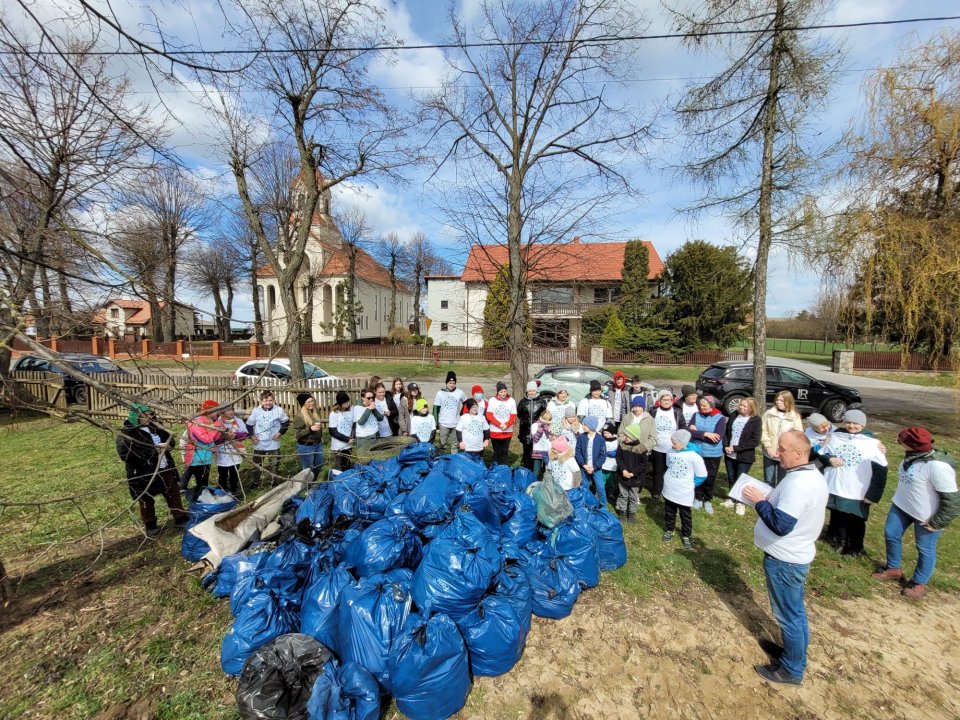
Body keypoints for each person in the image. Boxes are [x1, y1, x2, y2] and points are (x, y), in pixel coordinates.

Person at [743, 430, 829, 686]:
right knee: (795, 613)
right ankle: (793, 655)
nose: (776, 453)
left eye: (782, 449)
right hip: (792, 557)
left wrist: (760, 502)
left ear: (800, 453)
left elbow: (781, 524)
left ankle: (791, 669)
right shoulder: (806, 474)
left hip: (785, 561)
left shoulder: (800, 484)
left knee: (789, 616)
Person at [872, 427, 960, 599]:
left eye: (901, 441)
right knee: (891, 533)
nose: (898, 443)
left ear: (912, 445)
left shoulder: (937, 467)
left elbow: (953, 501)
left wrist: (937, 522)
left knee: (925, 549)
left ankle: (918, 583)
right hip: (902, 506)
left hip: (926, 516)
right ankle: (893, 568)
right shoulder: (912, 457)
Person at [820, 410, 888, 557]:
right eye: (849, 422)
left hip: (858, 489)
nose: (852, 426)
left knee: (856, 519)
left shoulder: (872, 444)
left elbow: (881, 471)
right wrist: (829, 459)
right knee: (838, 514)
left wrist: (873, 495)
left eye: (856, 423)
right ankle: (840, 541)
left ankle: (856, 547)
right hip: (837, 486)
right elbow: (823, 453)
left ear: (863, 425)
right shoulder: (836, 436)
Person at [116, 404, 187, 537]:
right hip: (143, 472)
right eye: (144, 415)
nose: (149, 418)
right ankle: (150, 524)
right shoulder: (127, 433)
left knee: (173, 492)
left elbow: (170, 440)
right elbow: (126, 454)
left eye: (151, 414)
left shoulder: (156, 427)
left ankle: (180, 517)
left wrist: (167, 445)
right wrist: (153, 452)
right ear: (135, 417)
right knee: (145, 498)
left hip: (164, 467)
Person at [662, 429, 707, 551]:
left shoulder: (693, 456)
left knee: (685, 514)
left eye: (675, 443)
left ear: (684, 443)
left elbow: (702, 475)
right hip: (670, 488)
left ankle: (686, 535)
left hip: (684, 491)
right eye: (672, 442)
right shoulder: (670, 451)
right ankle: (669, 529)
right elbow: (668, 465)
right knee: (669, 511)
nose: (672, 445)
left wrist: (691, 485)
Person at [722, 397, 762, 515]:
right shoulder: (734, 415)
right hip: (729, 453)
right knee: (731, 476)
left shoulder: (755, 420)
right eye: (741, 405)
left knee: (741, 479)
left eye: (745, 406)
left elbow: (754, 441)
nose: (741, 408)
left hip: (744, 455)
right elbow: (727, 432)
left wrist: (735, 448)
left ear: (751, 408)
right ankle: (732, 498)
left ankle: (740, 502)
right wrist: (726, 445)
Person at [689, 395, 728, 514]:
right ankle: (698, 497)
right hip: (697, 451)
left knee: (710, 477)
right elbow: (689, 432)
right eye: (700, 405)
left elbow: (716, 438)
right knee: (697, 476)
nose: (702, 407)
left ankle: (708, 499)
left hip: (712, 454)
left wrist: (697, 433)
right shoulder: (696, 415)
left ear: (711, 405)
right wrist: (706, 434)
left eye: (704, 405)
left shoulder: (720, 418)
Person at [246, 390, 289, 488]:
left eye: (270, 400)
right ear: (261, 401)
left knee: (274, 464)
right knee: (257, 464)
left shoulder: (279, 410)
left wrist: (280, 433)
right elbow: (249, 425)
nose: (268, 403)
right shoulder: (256, 411)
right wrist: (252, 436)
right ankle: (255, 483)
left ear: (273, 400)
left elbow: (285, 423)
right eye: (266, 401)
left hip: (273, 442)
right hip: (259, 442)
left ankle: (274, 482)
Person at [181, 399, 224, 498]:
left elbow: (215, 438)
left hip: (206, 455)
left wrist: (220, 430)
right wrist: (216, 427)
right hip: (197, 455)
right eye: (216, 410)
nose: (218, 413)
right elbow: (206, 439)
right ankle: (194, 496)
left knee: (204, 480)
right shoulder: (197, 422)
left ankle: (201, 497)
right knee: (199, 478)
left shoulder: (212, 421)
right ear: (208, 411)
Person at [618, 396, 655, 508]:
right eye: (635, 406)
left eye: (640, 406)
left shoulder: (649, 419)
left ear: (643, 407)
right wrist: (625, 440)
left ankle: (635, 495)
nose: (637, 408)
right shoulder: (627, 417)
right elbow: (620, 434)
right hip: (627, 451)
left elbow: (653, 438)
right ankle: (623, 496)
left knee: (637, 473)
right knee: (626, 472)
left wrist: (643, 447)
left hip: (640, 452)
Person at [761, 391, 803, 485]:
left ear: (788, 402)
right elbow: (763, 431)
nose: (778, 402)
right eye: (777, 399)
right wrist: (768, 447)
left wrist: (783, 449)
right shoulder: (768, 414)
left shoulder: (794, 417)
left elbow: (797, 435)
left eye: (781, 400)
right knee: (768, 480)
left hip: (785, 454)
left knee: (782, 481)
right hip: (769, 453)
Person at [650, 390, 683, 500]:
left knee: (671, 471)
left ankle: (669, 491)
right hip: (657, 447)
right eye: (664, 399)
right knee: (658, 470)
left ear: (672, 401)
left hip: (672, 448)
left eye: (668, 399)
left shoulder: (677, 412)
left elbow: (683, 427)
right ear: (659, 401)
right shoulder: (654, 411)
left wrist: (681, 443)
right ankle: (656, 491)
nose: (666, 402)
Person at [575, 416, 607, 507]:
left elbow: (603, 455)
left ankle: (603, 506)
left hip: (596, 469)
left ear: (590, 426)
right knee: (585, 486)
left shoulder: (600, 439)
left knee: (600, 487)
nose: (583, 426)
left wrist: (595, 467)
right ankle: (586, 504)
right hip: (584, 468)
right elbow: (578, 452)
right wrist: (583, 465)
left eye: (585, 425)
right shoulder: (581, 437)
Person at [215, 406, 247, 494]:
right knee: (223, 473)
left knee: (234, 472)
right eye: (228, 410)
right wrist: (225, 437)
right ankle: (222, 491)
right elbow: (214, 437)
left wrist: (235, 435)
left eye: (232, 409)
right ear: (223, 411)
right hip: (222, 450)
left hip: (236, 450)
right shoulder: (217, 422)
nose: (231, 412)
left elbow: (245, 434)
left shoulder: (238, 421)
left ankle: (234, 491)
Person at [292, 392, 325, 479]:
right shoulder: (299, 416)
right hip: (306, 446)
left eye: (312, 401)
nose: (311, 403)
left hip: (318, 445)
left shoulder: (315, 412)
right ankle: (306, 487)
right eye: (309, 402)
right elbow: (297, 434)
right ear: (303, 404)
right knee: (307, 469)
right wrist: (310, 429)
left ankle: (313, 482)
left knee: (319, 465)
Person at [517, 380, 548, 470]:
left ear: (536, 391)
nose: (532, 392)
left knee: (537, 453)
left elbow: (544, 415)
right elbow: (519, 414)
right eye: (530, 391)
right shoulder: (523, 402)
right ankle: (527, 470)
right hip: (525, 432)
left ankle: (537, 471)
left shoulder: (541, 402)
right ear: (527, 391)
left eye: (533, 390)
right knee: (527, 453)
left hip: (538, 433)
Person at [486, 381, 517, 465]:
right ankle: (495, 469)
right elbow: (489, 415)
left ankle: (504, 469)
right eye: (501, 392)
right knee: (496, 452)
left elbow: (513, 415)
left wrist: (507, 424)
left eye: (504, 391)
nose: (503, 393)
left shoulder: (511, 401)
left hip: (507, 431)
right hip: (495, 431)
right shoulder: (492, 400)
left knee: (504, 451)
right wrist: (499, 424)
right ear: (498, 392)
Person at [434, 371, 466, 454]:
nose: (451, 385)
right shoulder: (440, 393)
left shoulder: (459, 392)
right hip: (443, 423)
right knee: (442, 444)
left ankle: (453, 461)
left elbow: (466, 402)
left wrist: (462, 413)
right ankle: (442, 460)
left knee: (455, 444)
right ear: (446, 382)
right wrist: (436, 423)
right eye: (450, 383)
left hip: (456, 424)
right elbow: (436, 409)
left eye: (453, 383)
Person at [353, 388, 384, 458]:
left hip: (375, 436)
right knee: (365, 459)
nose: (371, 399)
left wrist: (373, 409)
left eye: (372, 397)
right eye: (369, 398)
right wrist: (369, 409)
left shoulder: (373, 406)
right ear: (363, 398)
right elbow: (361, 422)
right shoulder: (357, 408)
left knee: (375, 459)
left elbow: (380, 418)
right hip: (365, 439)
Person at [328, 391, 355, 471]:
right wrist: (346, 439)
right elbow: (332, 431)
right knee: (338, 467)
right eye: (345, 402)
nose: (348, 404)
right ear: (340, 403)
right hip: (338, 446)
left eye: (348, 401)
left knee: (347, 466)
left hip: (349, 445)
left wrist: (353, 437)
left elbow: (353, 426)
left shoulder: (350, 411)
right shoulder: (334, 414)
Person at [600, 421, 620, 508]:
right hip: (603, 464)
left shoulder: (616, 441)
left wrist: (615, 453)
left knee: (610, 479)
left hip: (612, 464)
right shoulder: (602, 440)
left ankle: (610, 491)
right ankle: (601, 492)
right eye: (604, 433)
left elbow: (619, 451)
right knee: (602, 478)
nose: (606, 434)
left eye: (608, 433)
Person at [530, 408, 553, 479]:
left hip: (548, 451)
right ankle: (533, 486)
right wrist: (541, 428)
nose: (547, 421)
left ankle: (546, 486)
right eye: (545, 419)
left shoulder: (551, 426)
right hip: (538, 450)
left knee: (548, 470)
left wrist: (548, 430)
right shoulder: (535, 425)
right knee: (536, 471)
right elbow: (535, 439)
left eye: (549, 420)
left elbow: (552, 438)